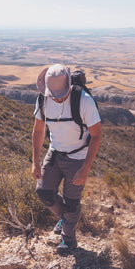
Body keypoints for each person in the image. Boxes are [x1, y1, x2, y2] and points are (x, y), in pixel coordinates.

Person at [31, 64, 102, 253]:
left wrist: (85, 169)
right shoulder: (43, 100)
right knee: (44, 193)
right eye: (53, 94)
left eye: (61, 93)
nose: (58, 97)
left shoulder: (83, 100)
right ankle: (66, 217)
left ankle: (68, 240)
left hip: (78, 157)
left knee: (72, 201)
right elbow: (38, 130)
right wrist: (35, 161)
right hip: (55, 153)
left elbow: (96, 135)